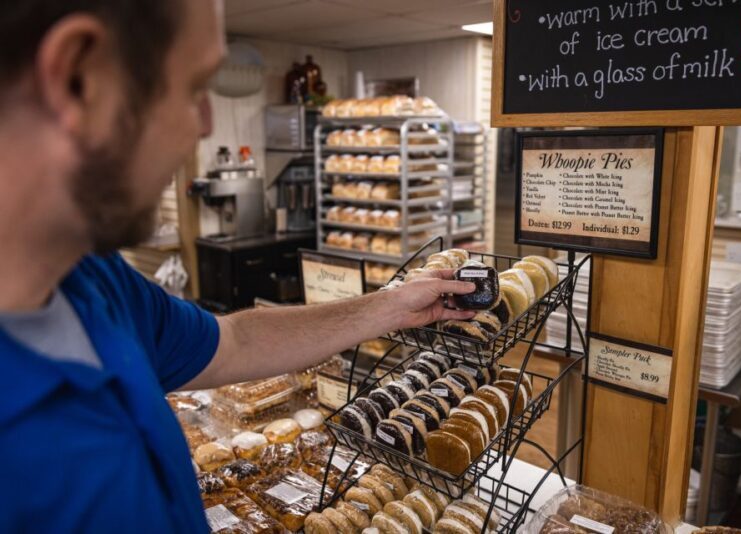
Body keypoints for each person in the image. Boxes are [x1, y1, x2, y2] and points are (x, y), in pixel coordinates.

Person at [0, 1, 475, 531]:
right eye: (192, 87)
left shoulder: (93, 284)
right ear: (77, 77)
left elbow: (236, 342)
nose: (205, 124)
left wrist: (388, 307)